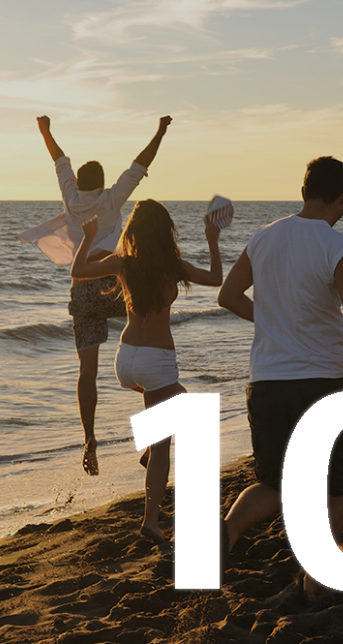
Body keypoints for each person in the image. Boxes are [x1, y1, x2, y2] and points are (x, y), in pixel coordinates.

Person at [217, 156, 343, 599]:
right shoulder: (340, 247)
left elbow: (227, 295)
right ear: (342, 199)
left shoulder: (263, 238)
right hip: (322, 385)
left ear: (303, 192)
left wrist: (273, 322)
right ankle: (317, 576)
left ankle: (225, 534)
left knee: (273, 483)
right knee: (336, 484)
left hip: (265, 384)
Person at [71, 200, 223, 543]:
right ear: (165, 232)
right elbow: (216, 278)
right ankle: (151, 521)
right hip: (156, 361)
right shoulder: (172, 266)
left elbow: (77, 271)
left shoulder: (124, 262)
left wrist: (89, 237)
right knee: (165, 441)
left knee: (184, 405)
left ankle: (148, 454)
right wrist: (212, 238)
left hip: (125, 361)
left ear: (134, 232)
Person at [35, 114, 172, 477]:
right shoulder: (112, 199)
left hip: (83, 286)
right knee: (144, 344)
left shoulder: (69, 194)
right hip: (115, 283)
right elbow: (140, 165)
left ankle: (89, 437)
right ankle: (153, 430)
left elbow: (58, 159)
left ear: (79, 182)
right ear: (102, 182)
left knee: (88, 372)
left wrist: (45, 130)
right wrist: (160, 131)